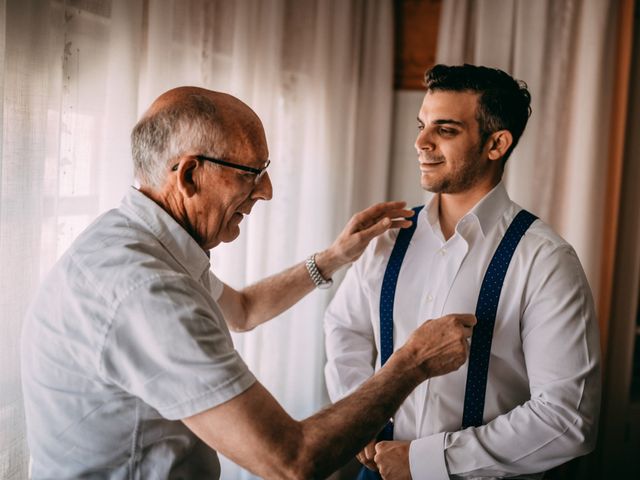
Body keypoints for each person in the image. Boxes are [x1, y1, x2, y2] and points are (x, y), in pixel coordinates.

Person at [20, 87, 477, 479]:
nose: (267, 191)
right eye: (251, 173)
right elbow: (292, 462)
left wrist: (335, 256)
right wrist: (412, 363)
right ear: (189, 174)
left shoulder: (139, 237)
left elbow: (241, 310)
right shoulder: (145, 290)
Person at [324, 64, 601, 480]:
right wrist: (358, 416)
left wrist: (425, 462)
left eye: (445, 130)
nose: (420, 142)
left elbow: (566, 417)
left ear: (496, 144)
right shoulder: (388, 239)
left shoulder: (545, 259)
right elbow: (345, 330)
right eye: (422, 125)